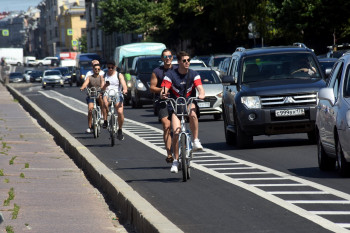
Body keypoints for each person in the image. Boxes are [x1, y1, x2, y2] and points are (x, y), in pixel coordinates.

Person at [161, 51, 205, 173]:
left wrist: (201, 94)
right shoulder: (170, 75)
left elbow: (200, 88)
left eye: (188, 60)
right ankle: (175, 161)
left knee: (192, 114)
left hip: (189, 102)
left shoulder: (194, 74)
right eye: (184, 60)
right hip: (175, 105)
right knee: (176, 132)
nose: (187, 62)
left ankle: (195, 141)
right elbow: (164, 88)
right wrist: (163, 94)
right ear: (179, 62)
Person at [150, 49, 177, 163]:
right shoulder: (157, 71)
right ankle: (169, 154)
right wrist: (162, 90)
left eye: (169, 56)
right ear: (162, 58)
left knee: (178, 127)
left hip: (176, 100)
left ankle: (184, 147)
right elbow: (152, 87)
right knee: (166, 126)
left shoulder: (177, 70)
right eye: (165, 57)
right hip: (162, 101)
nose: (167, 58)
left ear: (172, 57)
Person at [102, 60, 128, 140]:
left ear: (115, 67)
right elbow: (102, 88)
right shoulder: (104, 75)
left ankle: (120, 129)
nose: (110, 69)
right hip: (108, 93)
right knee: (105, 103)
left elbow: (123, 83)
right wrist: (105, 85)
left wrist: (125, 89)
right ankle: (105, 120)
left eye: (112, 67)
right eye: (108, 67)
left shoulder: (119, 75)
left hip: (117, 94)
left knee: (120, 112)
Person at [80, 63, 106, 133]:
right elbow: (85, 83)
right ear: (93, 69)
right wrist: (82, 87)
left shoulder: (101, 77)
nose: (97, 70)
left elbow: (102, 84)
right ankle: (90, 127)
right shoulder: (89, 77)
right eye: (95, 69)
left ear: (100, 70)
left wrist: (101, 89)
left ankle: (101, 116)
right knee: (90, 110)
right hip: (91, 95)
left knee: (101, 98)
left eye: (98, 69)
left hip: (99, 94)